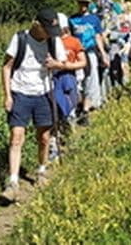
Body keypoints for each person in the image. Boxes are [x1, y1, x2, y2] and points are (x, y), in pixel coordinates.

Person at [0, 8, 67, 201]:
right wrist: (7, 95)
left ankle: (41, 170)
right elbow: (6, 67)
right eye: (47, 30)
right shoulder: (20, 39)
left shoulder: (54, 41)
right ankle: (13, 182)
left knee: (44, 137)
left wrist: (55, 64)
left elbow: (62, 63)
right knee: (16, 137)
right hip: (20, 92)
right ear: (36, 24)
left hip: (44, 93)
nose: (49, 35)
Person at [49, 13, 88, 160]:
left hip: (68, 78)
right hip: (52, 80)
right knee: (53, 113)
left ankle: (68, 136)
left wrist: (66, 66)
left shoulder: (74, 42)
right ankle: (53, 144)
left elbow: (83, 62)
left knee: (66, 109)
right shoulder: (49, 42)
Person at [69, 0, 109, 125]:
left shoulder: (94, 19)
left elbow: (98, 37)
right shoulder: (72, 19)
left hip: (90, 52)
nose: (83, 6)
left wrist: (103, 53)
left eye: (85, 3)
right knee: (76, 81)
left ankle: (86, 110)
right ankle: (76, 107)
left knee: (90, 80)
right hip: (76, 54)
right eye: (81, 3)